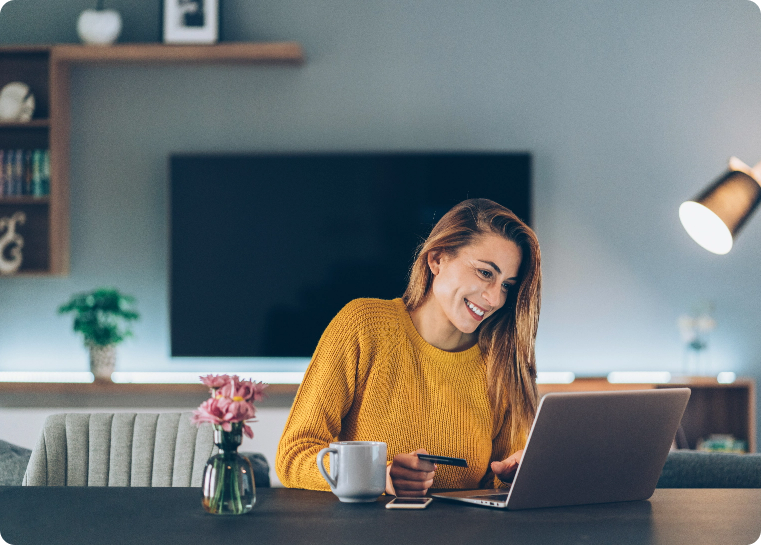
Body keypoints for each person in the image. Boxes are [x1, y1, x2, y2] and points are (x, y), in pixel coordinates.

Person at [276, 198, 541, 496]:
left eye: (507, 285)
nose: (495, 298)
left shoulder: (501, 361)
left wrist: (513, 477)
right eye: (485, 273)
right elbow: (294, 456)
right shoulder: (363, 326)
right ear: (437, 259)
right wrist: (379, 476)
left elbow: (495, 484)